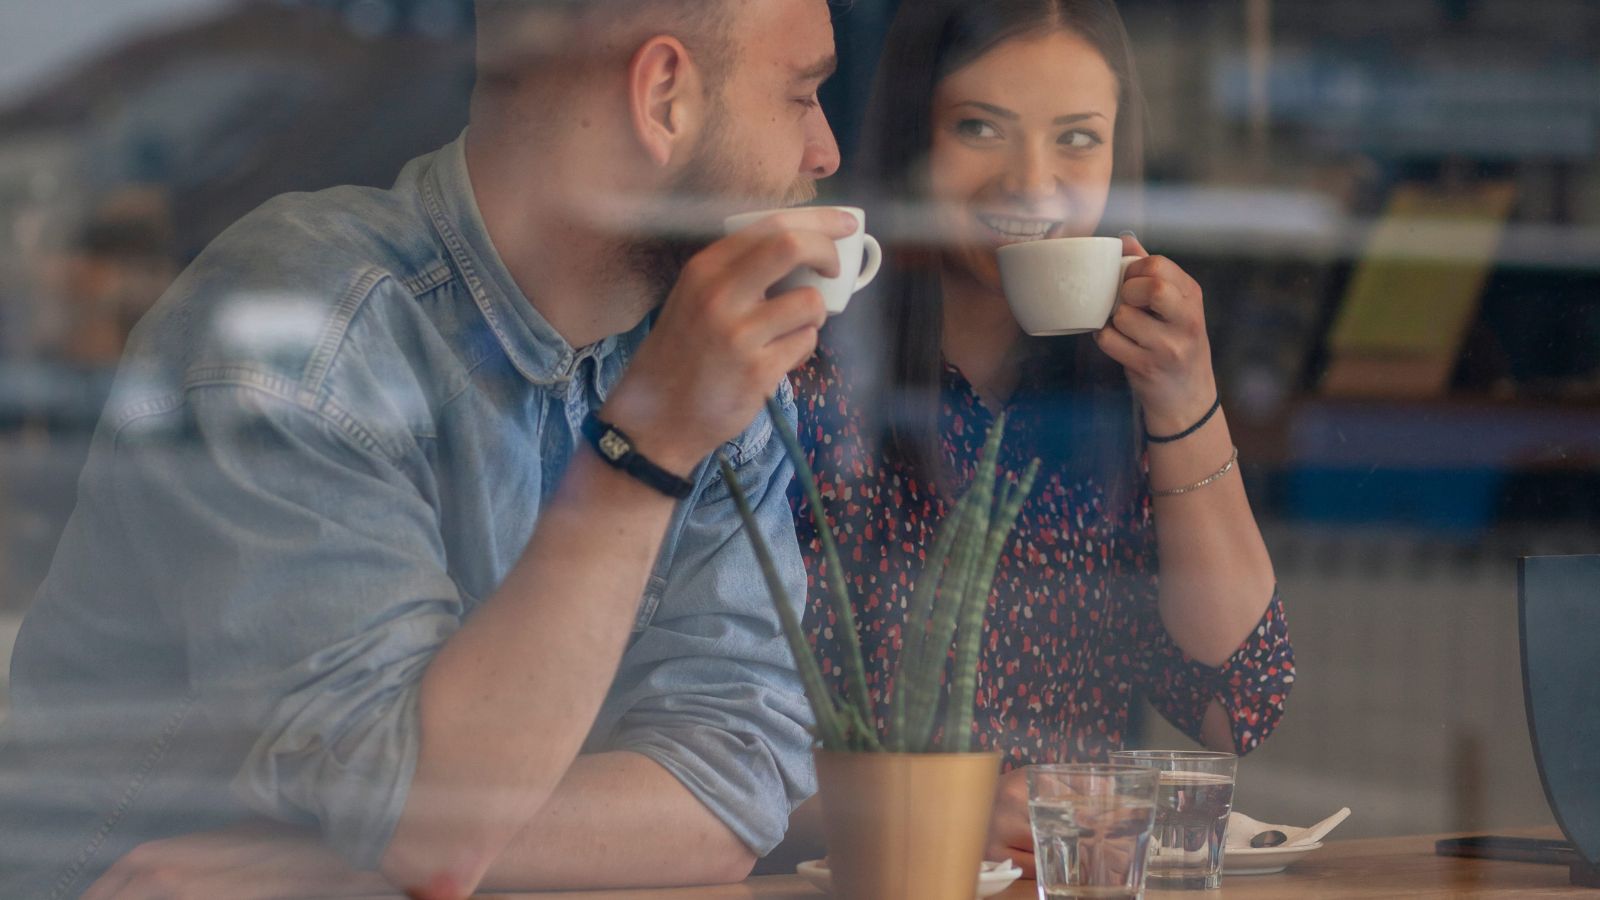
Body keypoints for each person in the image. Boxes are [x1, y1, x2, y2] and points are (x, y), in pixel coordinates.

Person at [0, 1, 850, 897]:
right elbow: (423, 820)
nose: (826, 150)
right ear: (664, 96)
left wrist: (326, 865)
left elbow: (727, 796)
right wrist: (645, 449)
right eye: (803, 94)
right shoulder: (300, 330)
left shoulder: (691, 351)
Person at [785, 0, 1294, 874]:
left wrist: (1186, 402)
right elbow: (701, 747)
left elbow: (1235, 700)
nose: (1032, 180)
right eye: (981, 127)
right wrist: (929, 812)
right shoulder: (808, 363)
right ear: (913, 143)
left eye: (1077, 138)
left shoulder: (1116, 396)